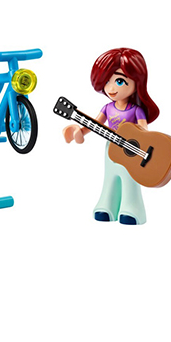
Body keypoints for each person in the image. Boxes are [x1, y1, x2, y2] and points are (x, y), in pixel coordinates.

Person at [63, 48, 159, 225]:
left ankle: (132, 208)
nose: (111, 88)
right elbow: (95, 123)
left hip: (133, 151)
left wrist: (138, 139)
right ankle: (107, 205)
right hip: (111, 149)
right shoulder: (108, 108)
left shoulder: (136, 110)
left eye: (119, 81)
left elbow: (144, 129)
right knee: (110, 177)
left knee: (129, 179)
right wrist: (80, 132)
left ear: (137, 82)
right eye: (107, 81)